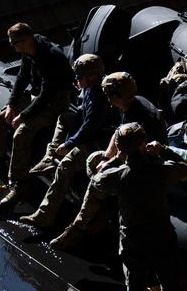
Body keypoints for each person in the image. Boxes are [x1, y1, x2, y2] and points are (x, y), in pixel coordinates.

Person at [91, 124, 187, 291]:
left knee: (135, 281)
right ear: (143, 143)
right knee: (169, 280)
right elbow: (184, 168)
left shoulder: (119, 175)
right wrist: (163, 149)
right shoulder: (160, 170)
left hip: (133, 235)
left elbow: (96, 180)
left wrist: (115, 160)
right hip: (161, 232)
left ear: (120, 147)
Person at [50, 72, 167, 250]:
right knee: (95, 161)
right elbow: (119, 132)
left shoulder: (137, 117)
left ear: (117, 96)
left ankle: (78, 228)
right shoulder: (133, 104)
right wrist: (106, 155)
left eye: (109, 95)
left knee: (98, 182)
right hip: (136, 154)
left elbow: (130, 154)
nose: (108, 100)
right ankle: (102, 212)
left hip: (145, 164)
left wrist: (108, 165)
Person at [0, 23, 74, 208]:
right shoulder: (29, 50)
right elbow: (22, 77)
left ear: (27, 39)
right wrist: (12, 104)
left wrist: (24, 116)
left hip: (56, 100)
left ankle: (20, 184)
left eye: (16, 43)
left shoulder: (51, 56)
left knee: (22, 133)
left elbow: (48, 93)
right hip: (36, 94)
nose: (13, 47)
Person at [20, 54, 120, 228]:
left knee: (66, 165)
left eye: (80, 76)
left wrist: (69, 143)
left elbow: (90, 127)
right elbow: (82, 113)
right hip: (93, 130)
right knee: (64, 118)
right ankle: (49, 158)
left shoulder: (99, 97)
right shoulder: (90, 87)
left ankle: (45, 214)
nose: (77, 79)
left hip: (101, 139)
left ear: (93, 77)